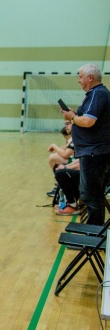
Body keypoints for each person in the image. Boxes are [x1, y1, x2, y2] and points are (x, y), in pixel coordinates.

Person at [61, 63, 110, 225]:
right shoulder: (95, 94)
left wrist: (72, 117)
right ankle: (93, 231)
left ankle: (93, 232)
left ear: (90, 78)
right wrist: (74, 115)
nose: (78, 80)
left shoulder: (98, 93)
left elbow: (88, 121)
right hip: (92, 152)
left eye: (80, 77)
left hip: (95, 152)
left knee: (91, 196)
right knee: (90, 194)